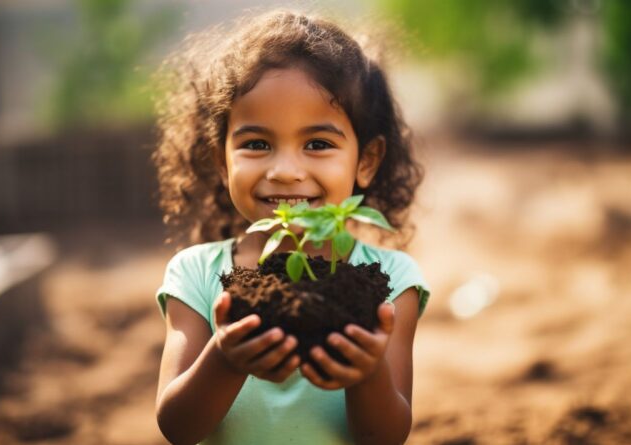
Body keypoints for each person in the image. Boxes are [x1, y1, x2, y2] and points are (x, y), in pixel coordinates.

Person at [153, 9, 430, 445]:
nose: (285, 170)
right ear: (219, 162)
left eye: (317, 144)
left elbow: (387, 437)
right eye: (257, 144)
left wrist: (367, 371)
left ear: (367, 161)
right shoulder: (196, 274)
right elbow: (178, 427)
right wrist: (225, 360)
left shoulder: (391, 282)